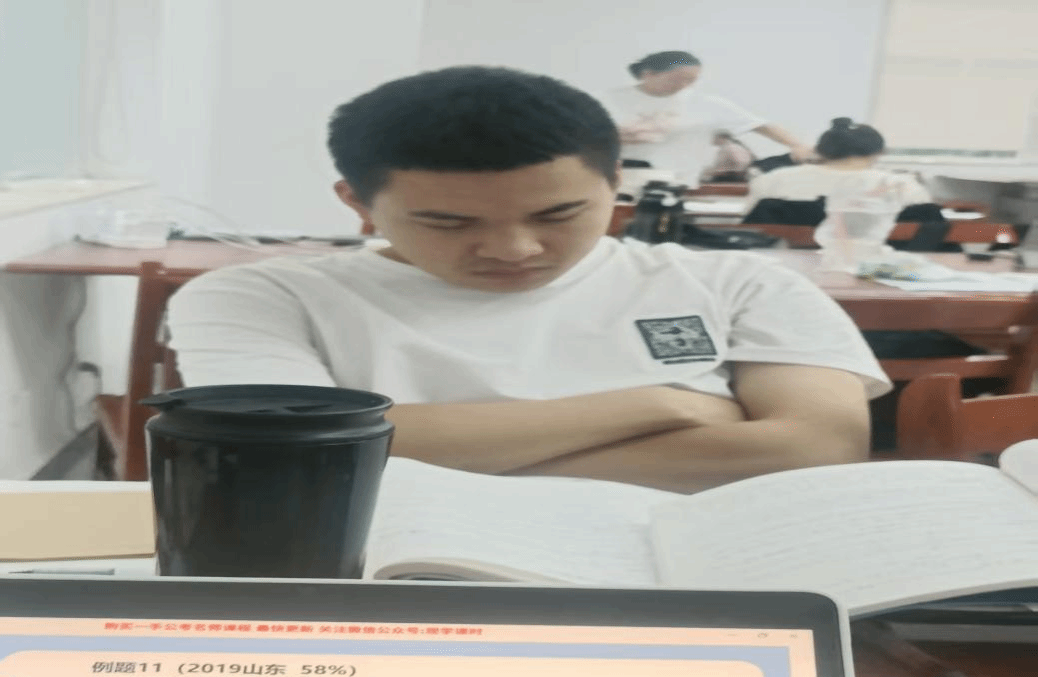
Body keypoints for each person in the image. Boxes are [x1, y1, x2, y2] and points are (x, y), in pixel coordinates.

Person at [167, 66, 891, 494]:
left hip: (694, 586)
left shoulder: (740, 283)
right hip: (396, 593)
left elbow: (816, 448)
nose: (514, 249)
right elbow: (288, 455)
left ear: (615, 180)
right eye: (449, 222)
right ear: (356, 202)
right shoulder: (259, 297)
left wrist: (399, 456)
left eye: (559, 213)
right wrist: (670, 403)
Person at [599, 51, 815, 185]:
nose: (684, 86)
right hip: (617, 179)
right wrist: (614, 136)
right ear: (648, 74)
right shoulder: (607, 100)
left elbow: (760, 125)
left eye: (691, 81)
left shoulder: (704, 103)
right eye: (677, 79)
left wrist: (797, 145)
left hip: (681, 182)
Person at [744, 117, 932, 213]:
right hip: (873, 269)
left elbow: (750, 225)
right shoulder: (903, 186)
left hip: (786, 263)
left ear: (819, 150)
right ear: (879, 152)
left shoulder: (771, 181)